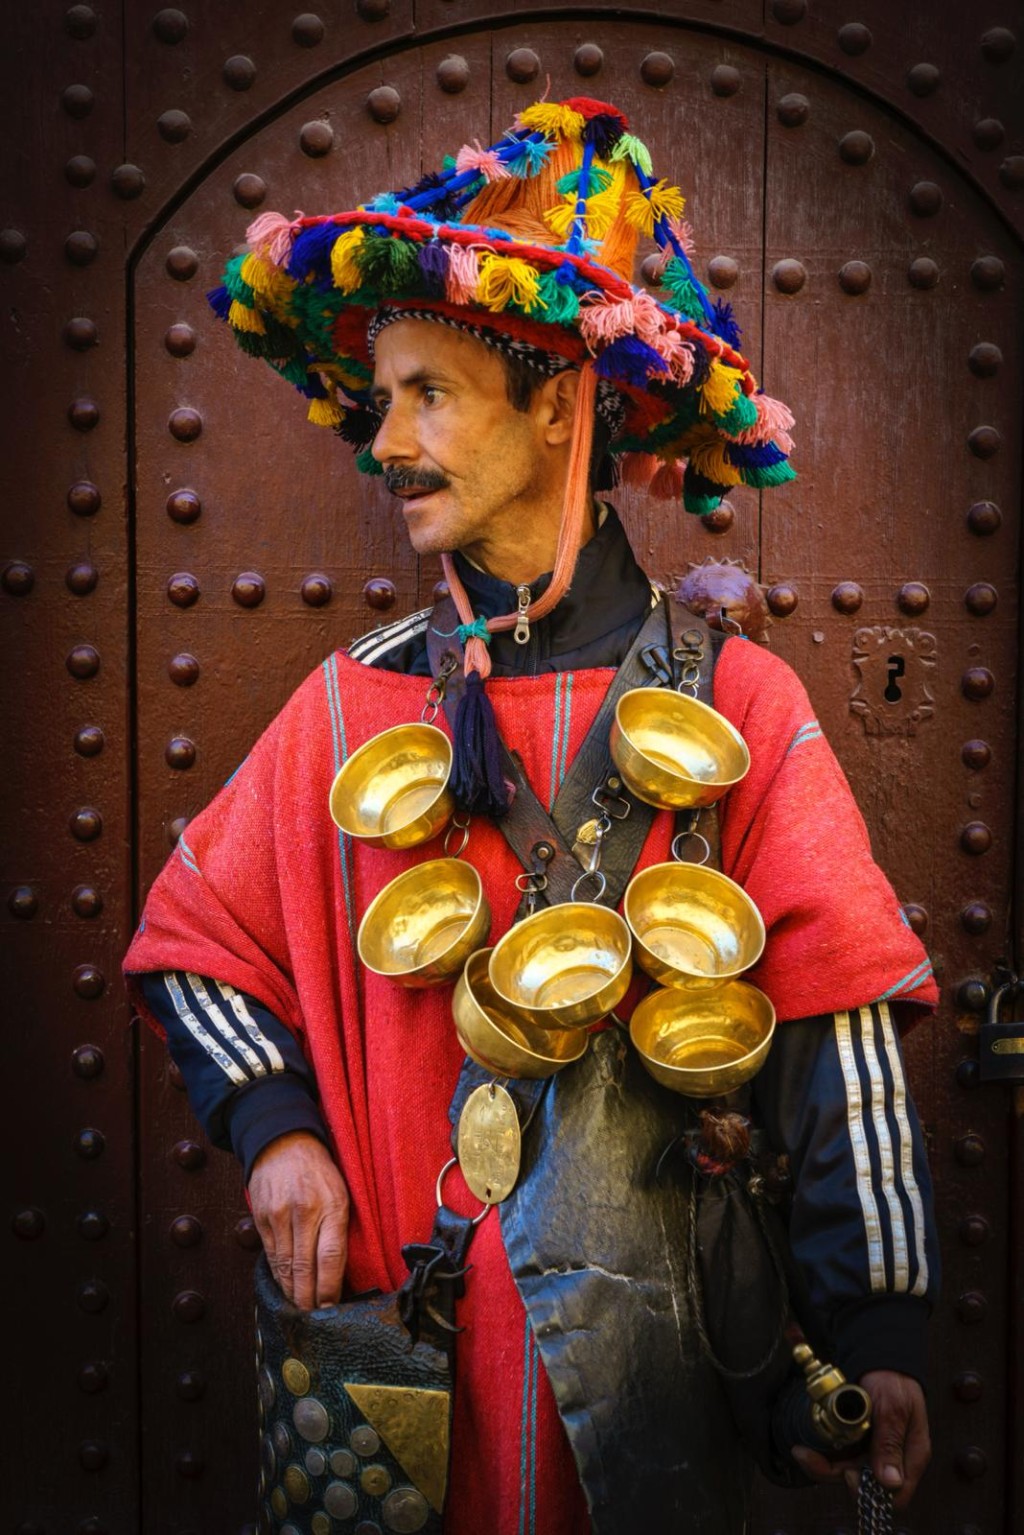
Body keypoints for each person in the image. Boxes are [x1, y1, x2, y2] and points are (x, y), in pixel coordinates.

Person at [125, 97, 939, 1535]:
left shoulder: (740, 706)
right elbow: (194, 937)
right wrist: (273, 1133)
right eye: (380, 402)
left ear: (560, 397)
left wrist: (878, 1332)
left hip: (673, 1384)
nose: (387, 445)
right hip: (410, 1376)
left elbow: (844, 1028)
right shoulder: (347, 709)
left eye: (428, 394)